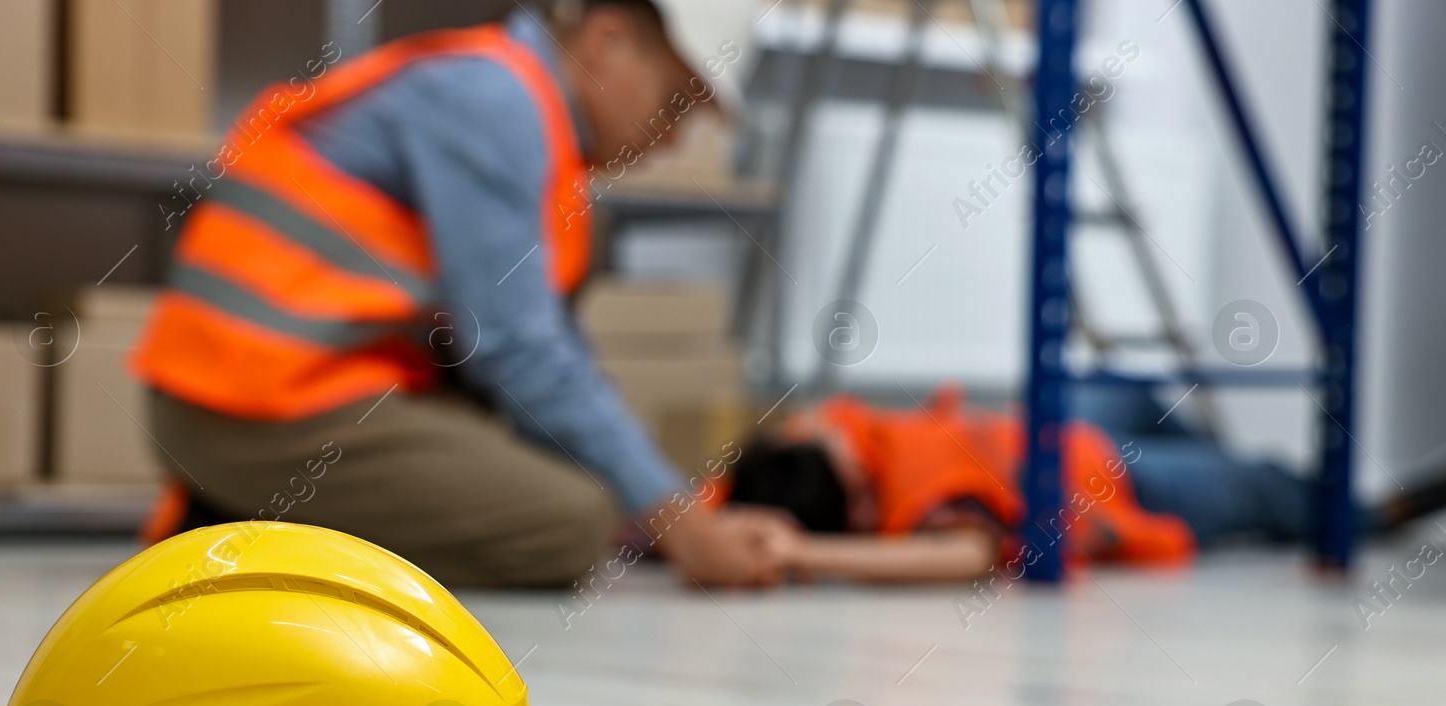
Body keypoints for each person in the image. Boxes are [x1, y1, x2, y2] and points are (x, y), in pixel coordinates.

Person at [129, 0, 792, 588]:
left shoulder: (517, 107)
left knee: (579, 485)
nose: (673, 137)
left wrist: (675, 504)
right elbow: (518, 350)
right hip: (253, 402)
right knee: (570, 521)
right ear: (607, 41)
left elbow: (540, 358)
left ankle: (249, 515)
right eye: (674, 102)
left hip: (288, 391)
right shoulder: (496, 102)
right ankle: (247, 526)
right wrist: (681, 524)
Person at [725, 385, 1446, 583]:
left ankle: (1215, 457)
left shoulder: (825, 442)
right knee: (1264, 487)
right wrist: (803, 555)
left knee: (1132, 387)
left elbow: (807, 428)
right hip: (1120, 486)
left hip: (1061, 422)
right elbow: (970, 555)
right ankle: (1380, 512)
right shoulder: (923, 513)